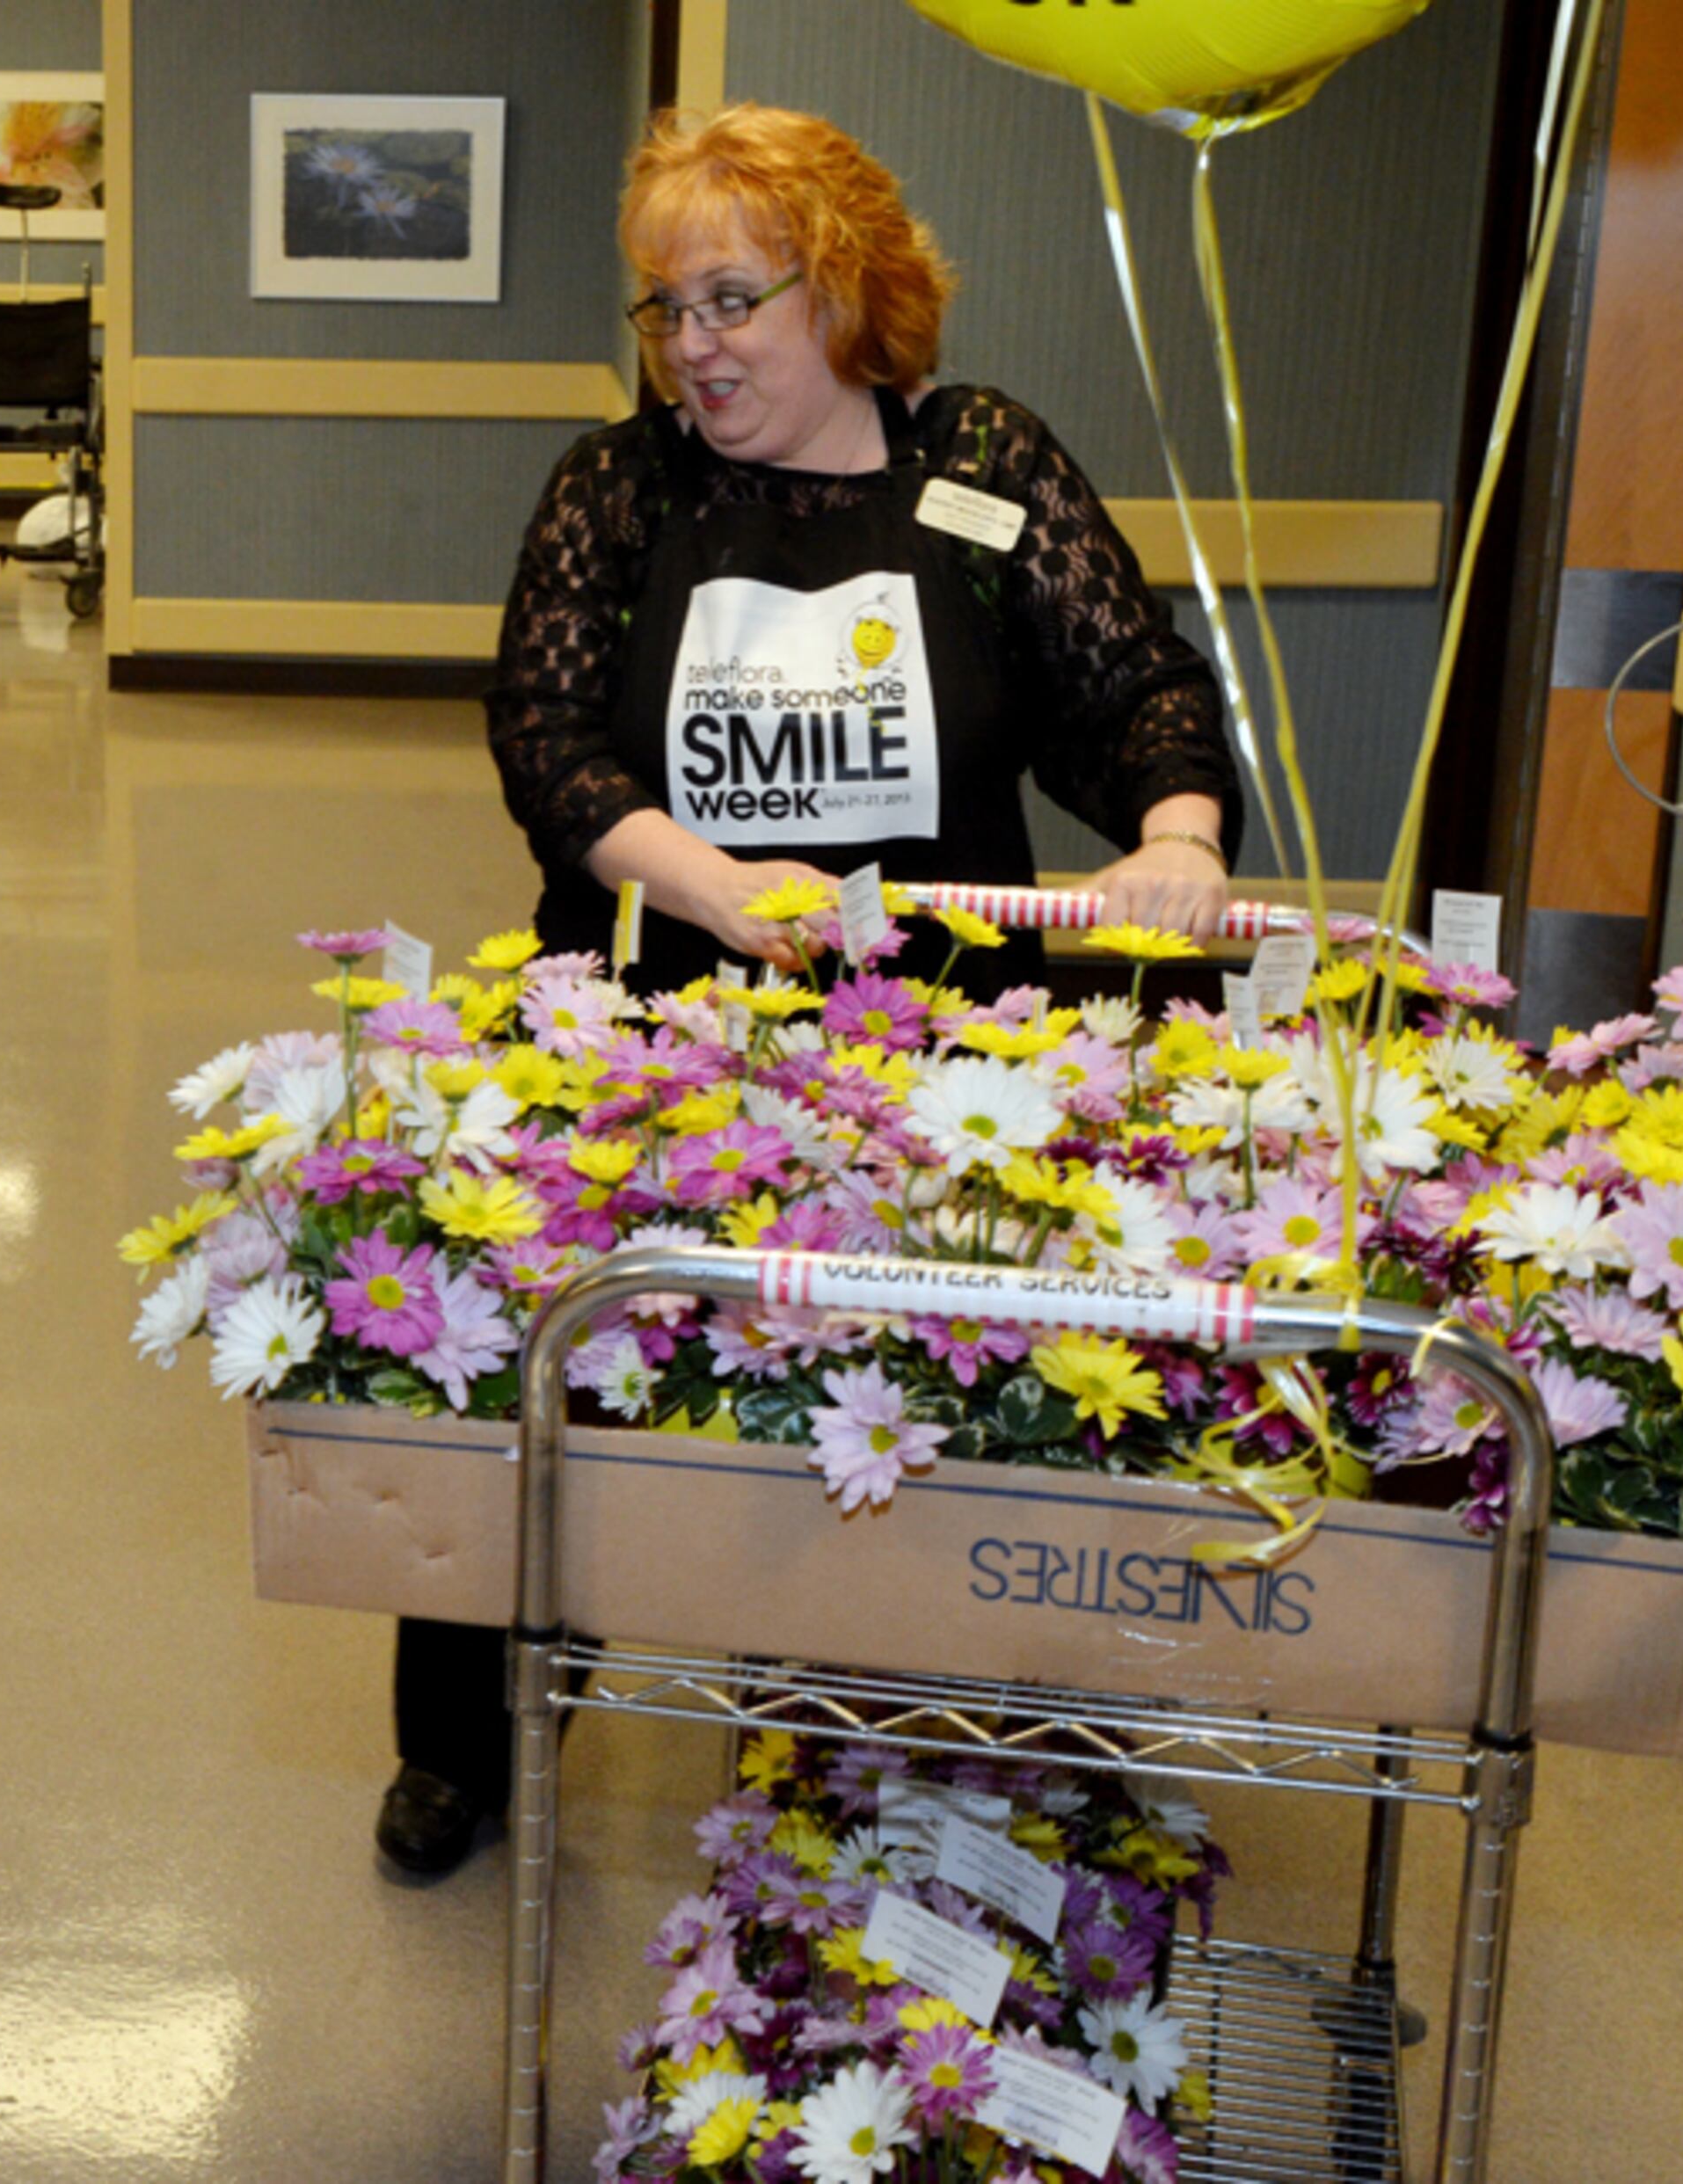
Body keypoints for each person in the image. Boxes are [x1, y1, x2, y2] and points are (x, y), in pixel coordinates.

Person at [376, 106, 1242, 1876]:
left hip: (947, 1054)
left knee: (961, 1397)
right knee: (514, 1363)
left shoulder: (981, 466)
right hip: (660, 1033)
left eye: (728, 300)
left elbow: (1137, 682)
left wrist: (1177, 834)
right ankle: (466, 1736)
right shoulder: (616, 491)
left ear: (840, 290)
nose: (690, 347)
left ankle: (970, 1717)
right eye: (662, 310)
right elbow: (539, 734)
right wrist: (717, 887)